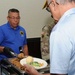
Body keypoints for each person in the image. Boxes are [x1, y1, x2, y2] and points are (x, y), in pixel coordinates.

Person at [23, 0, 75, 75]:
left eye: (49, 10)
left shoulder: (60, 31)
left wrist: (35, 74)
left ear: (54, 4)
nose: (51, 15)